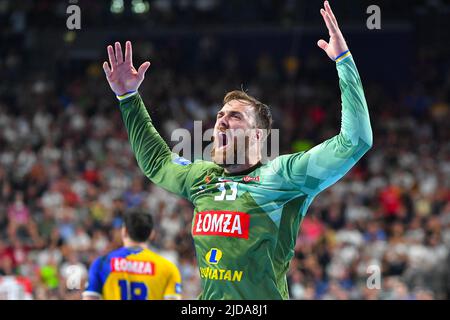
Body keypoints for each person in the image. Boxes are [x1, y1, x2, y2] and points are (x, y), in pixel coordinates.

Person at [102, 1, 372, 299]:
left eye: (235, 116)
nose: (221, 122)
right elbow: (156, 162)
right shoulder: (201, 178)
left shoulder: (282, 176)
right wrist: (128, 97)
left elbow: (356, 141)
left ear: (258, 135)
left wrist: (344, 61)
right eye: (220, 115)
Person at [82, 210, 182, 300]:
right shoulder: (168, 268)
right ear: (152, 234)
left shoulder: (102, 263)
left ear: (124, 231)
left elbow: (90, 297)